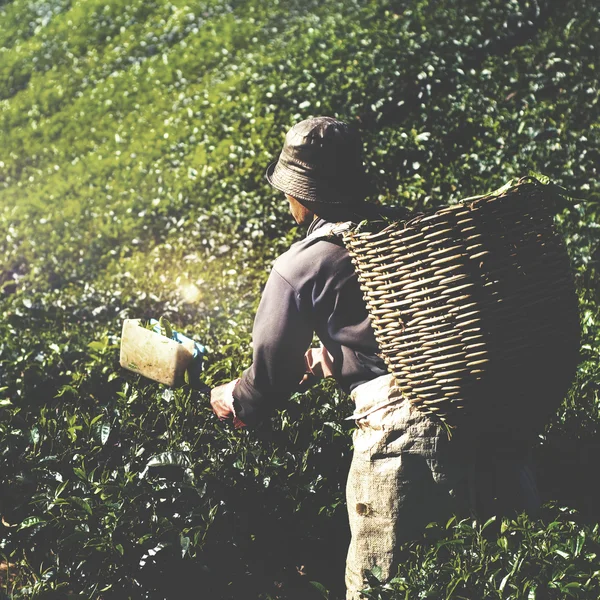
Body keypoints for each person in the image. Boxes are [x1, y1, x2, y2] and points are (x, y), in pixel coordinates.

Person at [210, 116, 540, 600]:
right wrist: (328, 359)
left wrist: (237, 398)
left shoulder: (300, 265)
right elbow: (397, 330)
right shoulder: (402, 226)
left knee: (384, 586)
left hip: (404, 441)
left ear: (303, 193)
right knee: (505, 576)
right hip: (482, 413)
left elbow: (269, 366)